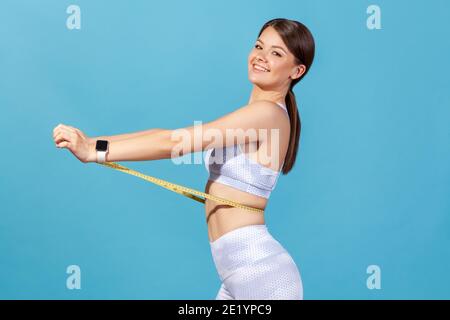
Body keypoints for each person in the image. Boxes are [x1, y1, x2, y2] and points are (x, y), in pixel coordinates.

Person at [52, 18, 315, 300]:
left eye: (276, 53)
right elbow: (165, 135)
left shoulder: (267, 115)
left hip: (261, 276)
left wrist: (95, 152)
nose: (261, 57)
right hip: (237, 273)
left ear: (297, 70)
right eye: (259, 46)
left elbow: (173, 143)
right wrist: (94, 144)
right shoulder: (261, 113)